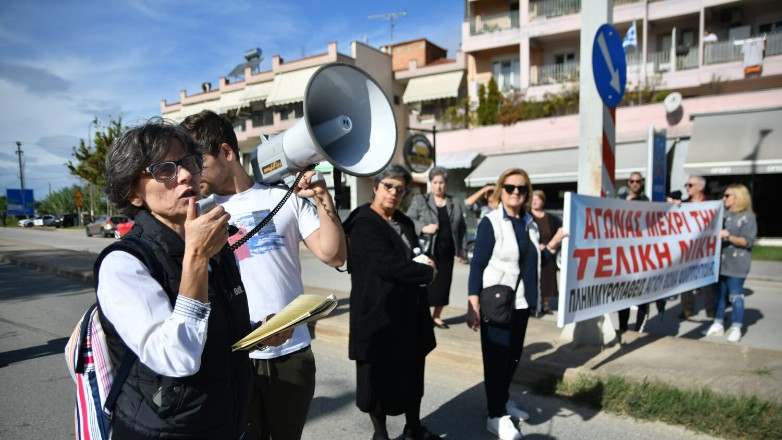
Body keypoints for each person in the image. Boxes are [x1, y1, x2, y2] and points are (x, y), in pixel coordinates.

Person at [181, 110, 346, 440]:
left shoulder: (283, 198)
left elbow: (334, 254)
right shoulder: (198, 212)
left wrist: (322, 197)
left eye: (199, 162)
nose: (193, 173)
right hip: (234, 355)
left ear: (226, 152)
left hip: (292, 354)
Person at [99, 118, 252, 438]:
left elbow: (211, 332)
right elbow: (176, 357)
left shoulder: (215, 246)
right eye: (164, 170)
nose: (185, 175)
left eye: (189, 162)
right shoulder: (124, 265)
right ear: (134, 193)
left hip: (226, 423)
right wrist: (196, 257)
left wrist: (254, 332)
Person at [342, 164, 442, 440]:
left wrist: (425, 261)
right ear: (376, 187)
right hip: (378, 318)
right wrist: (427, 272)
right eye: (388, 186)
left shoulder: (406, 222)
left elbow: (415, 253)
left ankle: (413, 429)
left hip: (410, 316)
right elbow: (388, 265)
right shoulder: (363, 223)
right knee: (377, 383)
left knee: (412, 377)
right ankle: (381, 434)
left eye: (400, 189)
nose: (394, 193)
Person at [466, 168, 566, 440]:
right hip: (497, 303)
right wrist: (472, 304)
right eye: (510, 187)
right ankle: (495, 416)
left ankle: (503, 401)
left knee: (512, 358)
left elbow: (537, 263)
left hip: (521, 303)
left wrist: (556, 241)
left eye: (522, 189)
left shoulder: (529, 223)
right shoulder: (491, 222)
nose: (516, 193)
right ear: (501, 189)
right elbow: (477, 265)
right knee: (496, 360)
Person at [405, 166, 467, 329]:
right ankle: (422, 316)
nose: (439, 186)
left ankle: (436, 316)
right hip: (428, 251)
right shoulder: (421, 200)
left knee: (443, 286)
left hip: (447, 252)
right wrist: (423, 228)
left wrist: (461, 248)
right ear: (430, 183)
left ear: (446, 184)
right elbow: (408, 221)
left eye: (442, 182)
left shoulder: (454, 202)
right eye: (435, 182)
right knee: (425, 285)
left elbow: (461, 227)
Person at [704, 184, 757, 343]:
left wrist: (728, 237)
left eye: (727, 196)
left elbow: (747, 241)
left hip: (737, 263)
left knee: (735, 295)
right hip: (719, 263)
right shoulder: (723, 214)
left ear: (738, 198)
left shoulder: (748, 217)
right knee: (719, 295)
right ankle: (718, 323)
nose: (724, 198)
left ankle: (736, 327)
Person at [617, 172, 651, 333]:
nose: (635, 184)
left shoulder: (647, 202)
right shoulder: (621, 200)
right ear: (628, 183)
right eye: (632, 181)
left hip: (642, 258)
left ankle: (639, 329)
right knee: (623, 297)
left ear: (642, 183)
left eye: (638, 181)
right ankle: (623, 328)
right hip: (625, 258)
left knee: (642, 297)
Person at [677, 176, 715, 319]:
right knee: (685, 279)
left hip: (706, 249)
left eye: (690, 185)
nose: (687, 187)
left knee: (708, 281)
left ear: (700, 187)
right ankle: (687, 309)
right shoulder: (683, 205)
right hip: (688, 249)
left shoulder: (711, 203)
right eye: (686, 184)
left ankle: (711, 310)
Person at [529, 189, 561, 315]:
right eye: (532, 199)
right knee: (536, 279)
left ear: (543, 201)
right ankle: (535, 304)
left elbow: (557, 232)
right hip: (534, 253)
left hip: (550, 253)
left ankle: (546, 304)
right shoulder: (527, 217)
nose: (534, 202)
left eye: (537, 199)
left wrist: (553, 246)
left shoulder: (551, 218)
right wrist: (536, 245)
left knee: (548, 279)